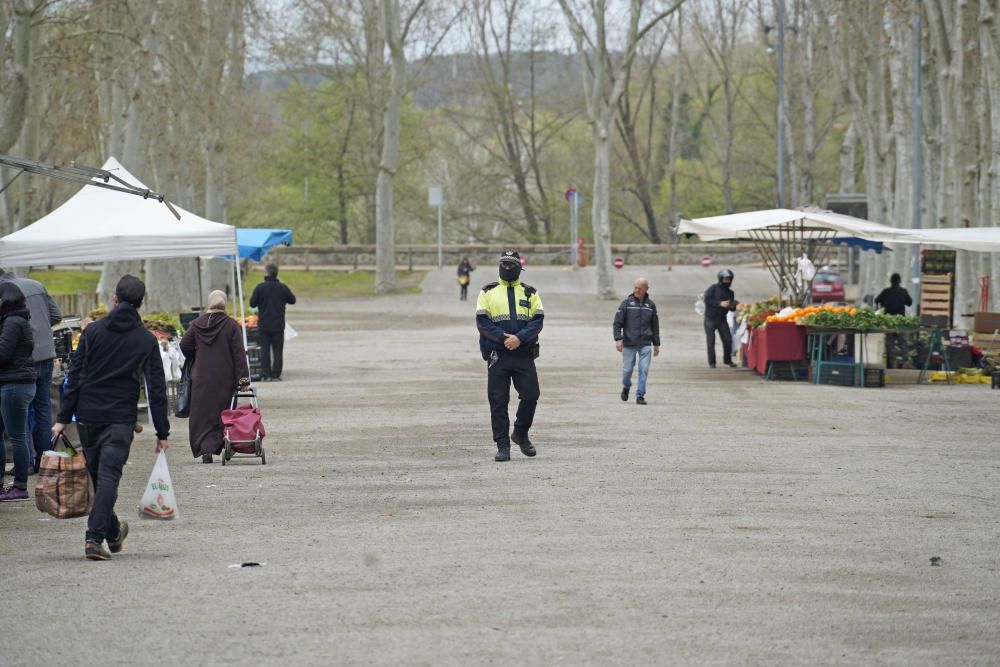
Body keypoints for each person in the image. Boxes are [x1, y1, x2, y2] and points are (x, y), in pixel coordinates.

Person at [53, 275, 169, 561]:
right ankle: (94, 538)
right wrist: (161, 432)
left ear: (115, 298)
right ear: (142, 303)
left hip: (90, 416)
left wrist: (63, 417)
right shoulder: (145, 340)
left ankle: (114, 532)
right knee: (107, 479)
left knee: (98, 477)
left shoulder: (93, 332)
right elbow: (156, 388)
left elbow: (75, 376)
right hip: (120, 418)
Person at [475, 250, 544, 462]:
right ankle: (502, 446)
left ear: (519, 267)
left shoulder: (530, 292)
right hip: (498, 354)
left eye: (511, 264)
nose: (507, 268)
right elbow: (482, 322)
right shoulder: (487, 292)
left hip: (523, 353)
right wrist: (502, 338)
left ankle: (520, 433)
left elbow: (538, 320)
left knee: (531, 395)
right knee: (498, 401)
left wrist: (520, 338)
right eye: (503, 264)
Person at [0, 268, 62, 473]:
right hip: (45, 354)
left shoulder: (4, 292)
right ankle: (44, 461)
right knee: (43, 409)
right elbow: (56, 315)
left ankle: (24, 465)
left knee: (21, 412)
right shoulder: (36, 285)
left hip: (20, 358)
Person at [180, 290, 250, 463]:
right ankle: (217, 444)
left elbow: (184, 345)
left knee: (201, 414)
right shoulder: (231, 325)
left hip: (201, 377)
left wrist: (196, 354)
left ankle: (205, 449)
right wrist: (243, 380)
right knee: (221, 412)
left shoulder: (196, 324)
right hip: (224, 378)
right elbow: (239, 354)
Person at [0, 283, 37, 501]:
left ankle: (20, 486)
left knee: (17, 436)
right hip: (12, 383)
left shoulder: (13, 322)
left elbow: (3, 354)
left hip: (14, 384)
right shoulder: (13, 320)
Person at [613, 277, 660, 405]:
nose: (636, 290)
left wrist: (656, 344)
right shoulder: (626, 303)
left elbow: (655, 326)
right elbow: (617, 323)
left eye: (639, 288)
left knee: (643, 369)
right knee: (627, 370)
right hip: (629, 343)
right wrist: (618, 339)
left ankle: (640, 395)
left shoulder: (651, 305)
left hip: (645, 343)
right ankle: (626, 386)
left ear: (646, 289)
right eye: (635, 287)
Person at [249, 264, 296, 382]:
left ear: (266, 274)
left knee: (264, 349)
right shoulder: (282, 287)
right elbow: (292, 300)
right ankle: (276, 374)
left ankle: (266, 373)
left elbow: (252, 303)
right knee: (278, 350)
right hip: (278, 324)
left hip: (264, 324)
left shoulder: (260, 287)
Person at [876, 273, 913, 368]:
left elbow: (877, 300)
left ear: (891, 281)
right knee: (903, 342)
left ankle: (893, 364)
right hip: (900, 321)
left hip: (888, 321)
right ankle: (906, 361)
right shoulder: (903, 291)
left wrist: (884, 303)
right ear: (900, 281)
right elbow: (909, 303)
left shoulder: (886, 292)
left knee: (890, 343)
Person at [703, 269, 738, 368]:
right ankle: (712, 362)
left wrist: (733, 305)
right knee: (711, 341)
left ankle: (727, 360)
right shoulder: (713, 288)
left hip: (722, 319)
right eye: (726, 279)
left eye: (729, 279)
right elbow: (707, 299)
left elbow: (731, 308)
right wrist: (719, 303)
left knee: (728, 340)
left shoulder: (730, 292)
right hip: (710, 318)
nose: (727, 281)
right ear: (721, 279)